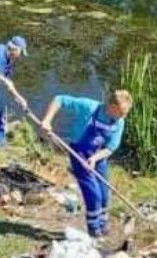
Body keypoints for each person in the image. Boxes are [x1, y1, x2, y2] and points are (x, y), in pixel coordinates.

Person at [39, 89, 133, 237]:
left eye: (125, 112)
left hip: (98, 155)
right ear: (111, 106)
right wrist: (47, 120)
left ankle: (102, 224)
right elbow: (60, 99)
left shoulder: (119, 122)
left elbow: (111, 147)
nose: (123, 116)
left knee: (103, 193)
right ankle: (93, 229)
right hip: (80, 153)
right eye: (121, 112)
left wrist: (95, 158)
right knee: (93, 193)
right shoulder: (88, 107)